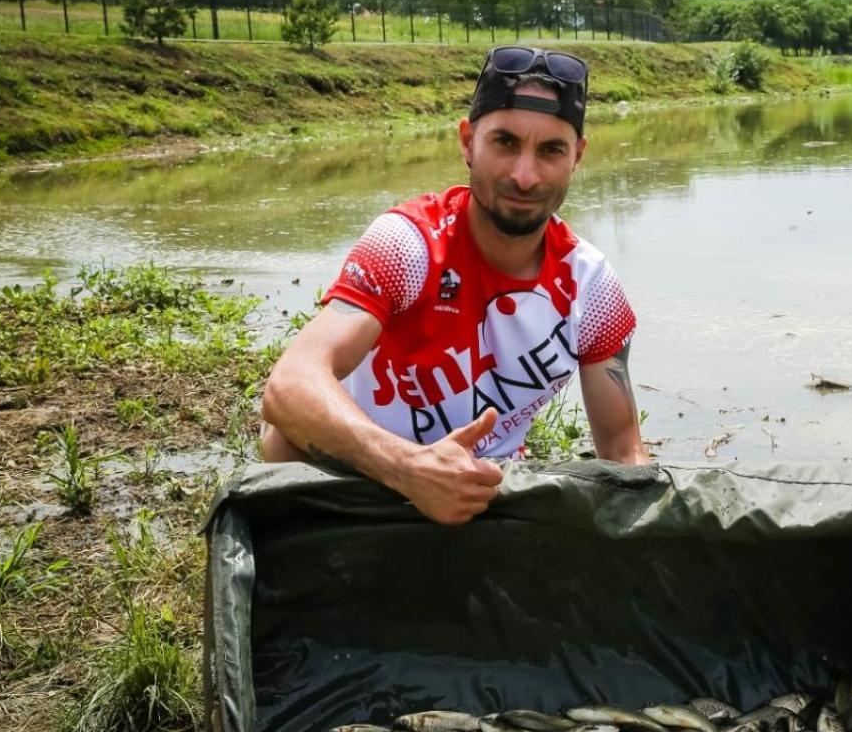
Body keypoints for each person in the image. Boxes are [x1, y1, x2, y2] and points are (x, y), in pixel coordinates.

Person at [260, 46, 647, 525]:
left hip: (480, 493)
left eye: (551, 150)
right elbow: (289, 386)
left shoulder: (592, 289)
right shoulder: (408, 246)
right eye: (505, 142)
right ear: (467, 142)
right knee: (283, 442)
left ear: (578, 156)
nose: (524, 176)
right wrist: (407, 468)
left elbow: (624, 451)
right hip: (362, 484)